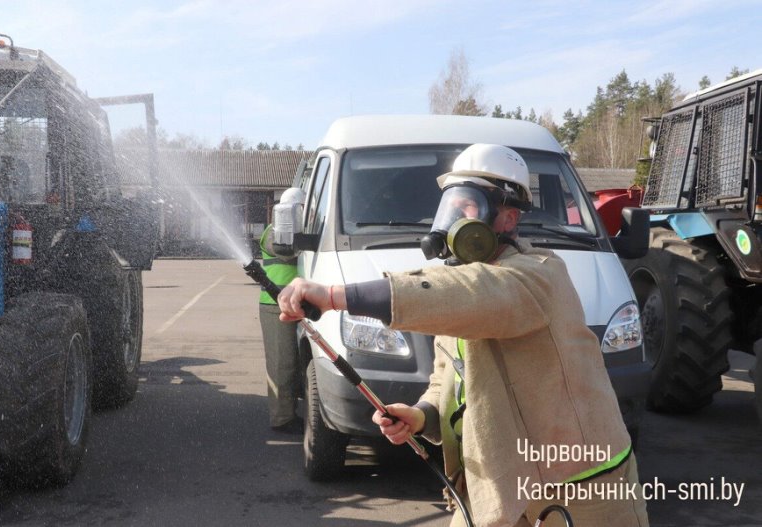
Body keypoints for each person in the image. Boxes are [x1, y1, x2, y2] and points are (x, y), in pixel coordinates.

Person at [277, 144, 649, 526]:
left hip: (583, 492)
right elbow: (449, 379)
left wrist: (336, 296)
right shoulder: (465, 291)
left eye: (467, 204)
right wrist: (421, 416)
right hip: (499, 487)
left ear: (507, 217)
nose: (452, 216)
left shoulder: (539, 276)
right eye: (449, 204)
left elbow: (472, 292)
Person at [258, 192, 304, 434]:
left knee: (295, 363)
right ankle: (282, 418)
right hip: (275, 303)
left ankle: (292, 410)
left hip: (298, 303)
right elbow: (287, 251)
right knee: (281, 364)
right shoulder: (275, 231)